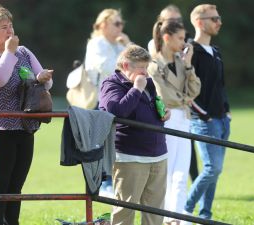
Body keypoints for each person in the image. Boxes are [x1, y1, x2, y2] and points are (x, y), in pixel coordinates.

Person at [0, 5, 53, 225]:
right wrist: (8, 53)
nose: (10, 30)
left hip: (26, 127)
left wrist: (44, 77)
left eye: (11, 26)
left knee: (17, 184)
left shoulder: (24, 51)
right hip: (1, 130)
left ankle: (13, 222)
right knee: (1, 184)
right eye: (3, 27)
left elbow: (44, 80)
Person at [99, 45, 171, 225]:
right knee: (125, 210)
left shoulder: (147, 82)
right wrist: (136, 89)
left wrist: (163, 112)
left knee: (155, 211)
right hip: (130, 157)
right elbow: (116, 111)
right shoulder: (111, 84)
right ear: (125, 66)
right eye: (142, 68)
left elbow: (153, 104)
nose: (146, 73)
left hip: (158, 154)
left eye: (147, 68)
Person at [147, 19, 201, 224]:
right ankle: (165, 215)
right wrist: (185, 99)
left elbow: (195, 89)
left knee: (181, 172)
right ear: (166, 38)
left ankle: (176, 216)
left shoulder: (181, 62)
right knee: (167, 171)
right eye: (180, 38)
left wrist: (188, 65)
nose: (184, 42)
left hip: (184, 118)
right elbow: (164, 96)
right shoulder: (153, 65)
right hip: (167, 120)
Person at [182, 4, 231, 222]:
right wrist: (204, 116)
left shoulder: (216, 51)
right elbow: (187, 91)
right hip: (204, 120)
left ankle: (205, 215)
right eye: (215, 19)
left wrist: (226, 111)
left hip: (222, 119)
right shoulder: (191, 51)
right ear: (200, 23)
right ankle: (185, 209)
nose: (219, 22)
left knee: (215, 171)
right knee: (213, 168)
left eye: (219, 18)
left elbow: (220, 85)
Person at [84, 8, 132, 197]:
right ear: (103, 24)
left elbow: (140, 62)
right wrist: (126, 61)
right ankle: (104, 186)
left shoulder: (120, 45)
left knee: (118, 144)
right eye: (116, 23)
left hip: (120, 101)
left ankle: (112, 185)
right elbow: (106, 67)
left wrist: (128, 45)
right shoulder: (97, 44)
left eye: (122, 24)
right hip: (101, 101)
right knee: (103, 145)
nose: (120, 27)